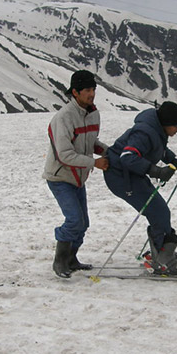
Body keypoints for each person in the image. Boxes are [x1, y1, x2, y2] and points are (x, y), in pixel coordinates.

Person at [104, 101, 177, 276]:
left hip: (131, 174)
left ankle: (162, 252)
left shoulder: (155, 130)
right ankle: (162, 257)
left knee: (160, 211)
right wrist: (157, 171)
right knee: (158, 211)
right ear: (166, 123)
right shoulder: (144, 132)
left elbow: (160, 149)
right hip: (120, 176)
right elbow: (127, 157)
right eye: (176, 125)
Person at [44, 70, 109, 278]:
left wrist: (107, 151)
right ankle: (60, 261)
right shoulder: (63, 118)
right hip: (60, 177)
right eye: (87, 90)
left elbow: (90, 142)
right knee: (74, 220)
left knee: (83, 223)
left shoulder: (93, 114)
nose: (92, 94)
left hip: (79, 178)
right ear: (75, 92)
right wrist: (94, 162)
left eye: (93, 89)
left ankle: (71, 259)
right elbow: (64, 155)